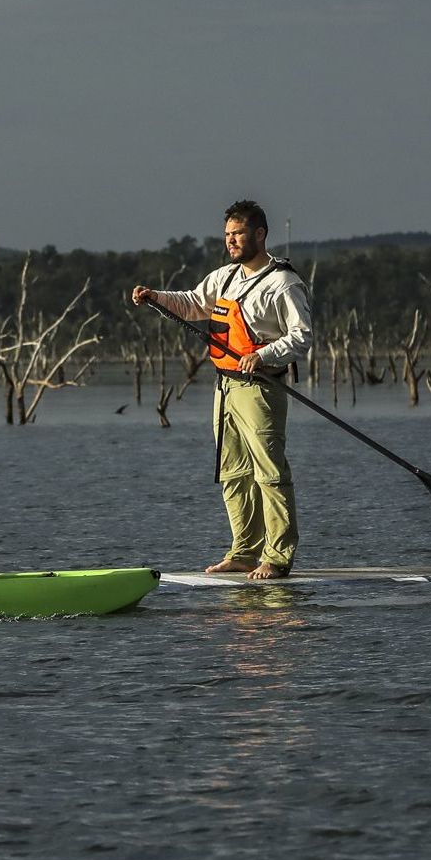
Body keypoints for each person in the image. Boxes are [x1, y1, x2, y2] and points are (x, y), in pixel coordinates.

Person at [130, 200, 314, 579]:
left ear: (259, 234)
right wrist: (155, 297)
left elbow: (302, 336)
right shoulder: (224, 277)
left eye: (239, 234)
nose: (231, 241)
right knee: (232, 472)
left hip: (261, 388)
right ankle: (243, 551)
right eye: (227, 235)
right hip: (226, 387)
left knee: (269, 471)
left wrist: (264, 355)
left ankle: (277, 557)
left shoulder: (283, 282)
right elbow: (194, 304)